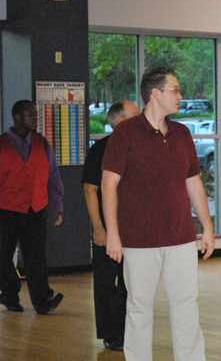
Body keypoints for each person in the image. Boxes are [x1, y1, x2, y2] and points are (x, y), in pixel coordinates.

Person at [101, 67, 215, 360]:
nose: (180, 95)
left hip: (181, 237)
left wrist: (207, 226)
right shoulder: (125, 133)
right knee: (139, 308)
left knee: (187, 304)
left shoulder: (182, 133)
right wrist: (113, 234)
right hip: (138, 240)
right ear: (156, 93)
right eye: (174, 89)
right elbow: (108, 185)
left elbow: (193, 182)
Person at [82, 100, 139, 351]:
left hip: (135, 228)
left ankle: (131, 330)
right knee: (107, 282)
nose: (141, 119)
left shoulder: (140, 147)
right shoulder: (100, 149)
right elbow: (90, 189)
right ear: (120, 122)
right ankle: (111, 333)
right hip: (107, 227)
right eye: (136, 115)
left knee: (133, 282)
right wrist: (98, 227)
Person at [0, 100, 64, 314]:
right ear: (17, 117)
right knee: (2, 255)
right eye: (31, 114)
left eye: (36, 114)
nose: (36, 118)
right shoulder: (1, 144)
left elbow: (53, 175)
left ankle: (42, 301)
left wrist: (58, 204)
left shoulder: (42, 143)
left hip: (35, 208)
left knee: (36, 256)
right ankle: (9, 294)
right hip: (6, 209)